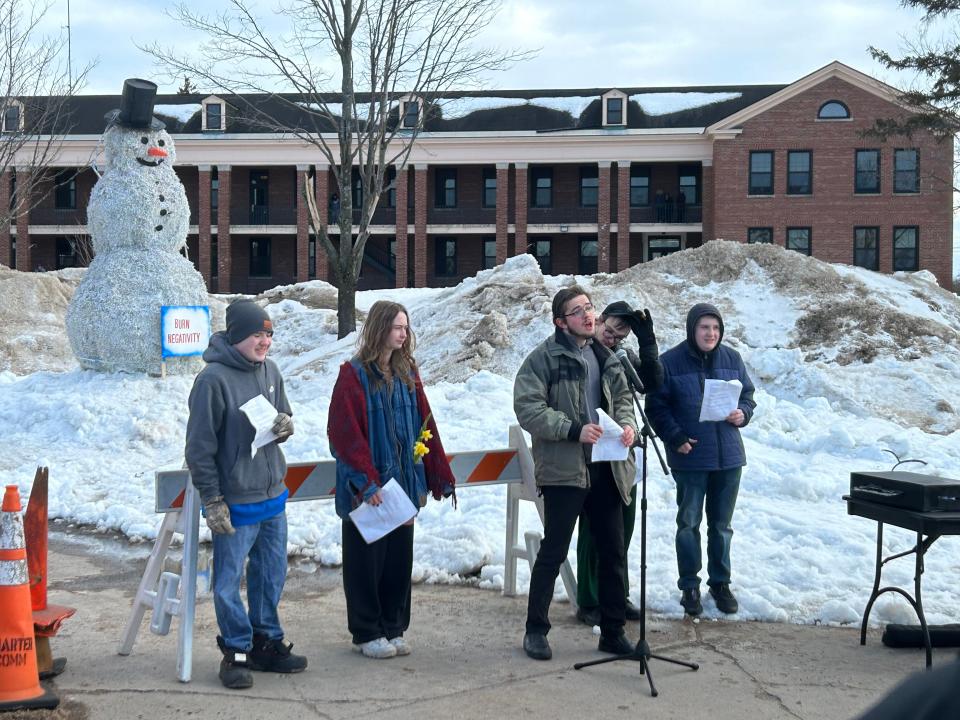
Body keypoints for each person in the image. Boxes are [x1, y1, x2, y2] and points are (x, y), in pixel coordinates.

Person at [185, 299, 307, 690]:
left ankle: (265, 640)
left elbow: (282, 414)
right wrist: (213, 500)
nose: (265, 341)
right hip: (236, 502)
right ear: (238, 335)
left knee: (271, 574)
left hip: (272, 496)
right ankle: (235, 650)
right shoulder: (212, 381)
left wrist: (285, 424)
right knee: (227, 581)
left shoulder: (270, 370)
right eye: (258, 333)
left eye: (269, 334)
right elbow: (199, 448)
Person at [514, 285, 639, 661]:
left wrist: (627, 426)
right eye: (577, 311)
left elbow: (623, 400)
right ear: (560, 322)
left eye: (589, 307)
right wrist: (573, 429)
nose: (588, 315)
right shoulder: (543, 360)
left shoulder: (607, 356)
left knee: (613, 552)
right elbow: (528, 408)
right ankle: (536, 630)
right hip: (565, 471)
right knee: (554, 552)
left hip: (606, 467)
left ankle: (612, 632)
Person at [328, 300, 455, 659]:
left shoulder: (407, 373)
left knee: (399, 560)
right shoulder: (353, 375)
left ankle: (393, 626)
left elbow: (425, 422)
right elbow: (344, 434)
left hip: (402, 486)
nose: (404, 333)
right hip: (368, 490)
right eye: (398, 326)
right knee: (367, 563)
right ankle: (367, 631)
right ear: (380, 328)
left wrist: (433, 473)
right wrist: (365, 482)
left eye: (406, 327)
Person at [645, 303, 756, 616]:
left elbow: (748, 396)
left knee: (721, 526)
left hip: (728, 457)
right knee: (688, 524)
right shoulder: (670, 362)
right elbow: (656, 407)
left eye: (716, 328)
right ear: (692, 329)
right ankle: (689, 585)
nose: (711, 334)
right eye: (705, 327)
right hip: (691, 456)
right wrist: (675, 437)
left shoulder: (732, 359)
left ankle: (720, 583)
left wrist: (743, 413)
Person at [575, 301, 663, 627]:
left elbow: (652, 383)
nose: (611, 338)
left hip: (623, 448)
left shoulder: (621, 356)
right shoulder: (582, 352)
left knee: (622, 527)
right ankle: (588, 598)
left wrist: (648, 341)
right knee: (593, 529)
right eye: (609, 331)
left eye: (619, 335)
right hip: (592, 451)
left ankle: (616, 594)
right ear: (598, 321)